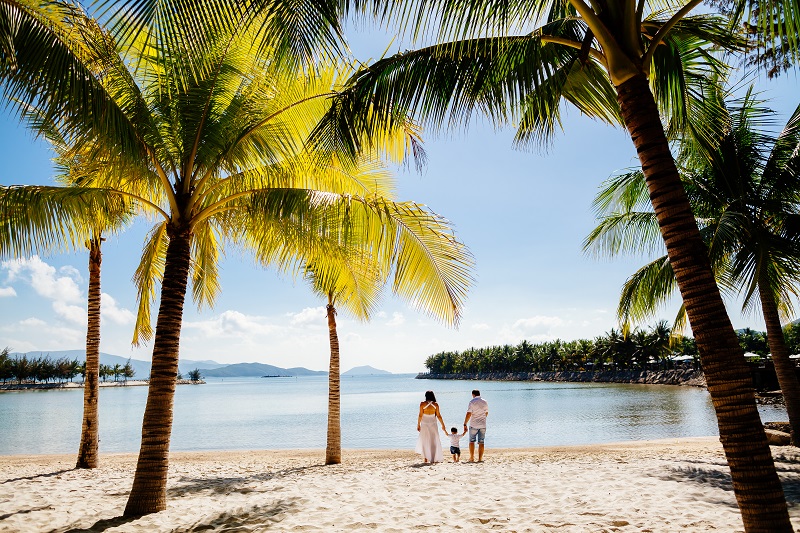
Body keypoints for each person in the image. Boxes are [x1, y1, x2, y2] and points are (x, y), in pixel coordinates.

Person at [415, 390, 447, 463]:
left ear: (426, 396)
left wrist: (418, 424)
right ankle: (433, 458)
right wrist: (443, 425)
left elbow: (420, 415)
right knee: (433, 440)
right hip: (433, 423)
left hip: (425, 423)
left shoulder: (422, 404)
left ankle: (425, 459)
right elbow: (438, 416)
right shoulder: (436, 405)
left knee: (425, 440)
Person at [463, 389, 489, 462]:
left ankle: (471, 457)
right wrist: (482, 418)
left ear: (473, 394)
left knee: (471, 441)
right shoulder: (485, 401)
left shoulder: (472, 402)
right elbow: (486, 413)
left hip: (473, 424)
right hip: (483, 425)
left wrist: (465, 423)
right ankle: (480, 458)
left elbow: (468, 414)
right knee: (481, 442)